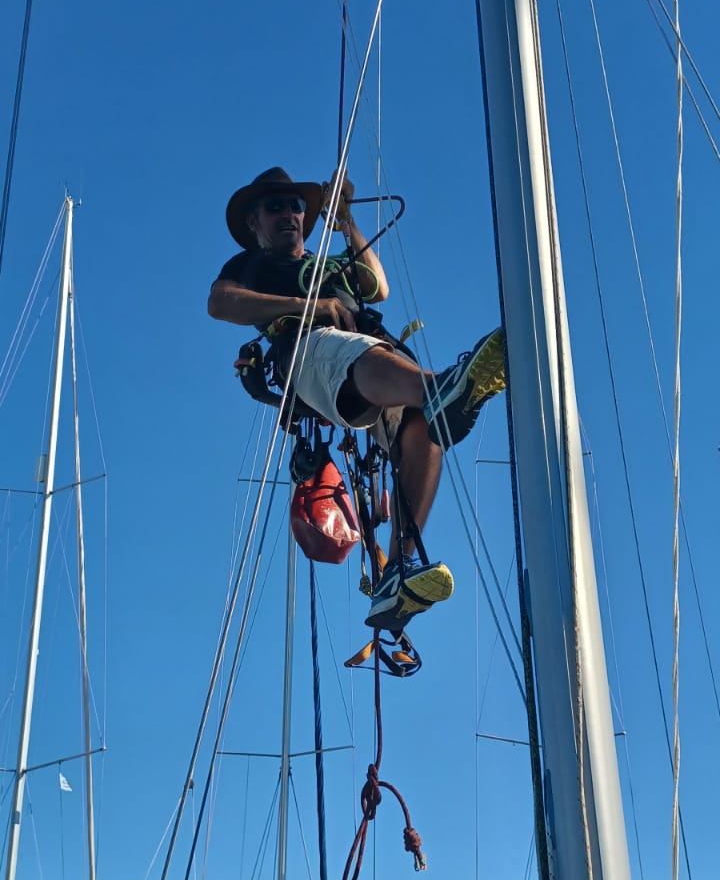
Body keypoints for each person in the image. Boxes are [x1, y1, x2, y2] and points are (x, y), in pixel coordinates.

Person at [208, 167, 505, 633]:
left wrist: (345, 220)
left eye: (297, 206)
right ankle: (441, 389)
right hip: (307, 351)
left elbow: (377, 286)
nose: (289, 213)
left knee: (423, 430)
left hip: (372, 363)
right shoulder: (249, 266)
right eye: (275, 206)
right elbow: (222, 303)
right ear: (254, 223)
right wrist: (305, 308)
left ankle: (399, 570)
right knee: (375, 365)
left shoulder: (329, 265)